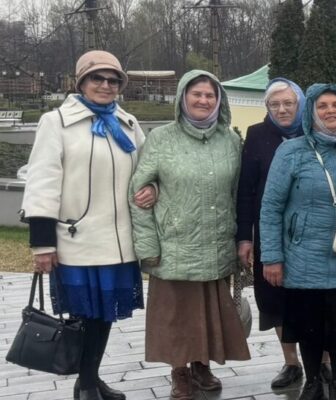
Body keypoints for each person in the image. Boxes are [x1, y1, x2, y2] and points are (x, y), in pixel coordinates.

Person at [22, 50, 147, 400]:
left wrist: (150, 188)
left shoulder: (129, 124)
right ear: (81, 82)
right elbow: (42, 182)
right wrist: (42, 243)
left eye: (113, 80)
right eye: (98, 78)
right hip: (75, 240)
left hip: (119, 241)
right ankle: (87, 384)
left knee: (103, 316)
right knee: (83, 316)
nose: (106, 85)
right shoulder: (56, 122)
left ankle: (89, 379)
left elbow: (145, 171)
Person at [129, 70, 249, 400]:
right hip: (174, 245)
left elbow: (240, 193)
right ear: (183, 97)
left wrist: (242, 239)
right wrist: (148, 244)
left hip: (215, 243)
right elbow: (137, 193)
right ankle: (179, 371)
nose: (203, 100)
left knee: (208, 313)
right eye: (196, 94)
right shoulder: (161, 139)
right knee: (175, 315)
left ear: (218, 101)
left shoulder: (230, 140)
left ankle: (202, 365)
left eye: (210, 95)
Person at [258, 83, 336, 400]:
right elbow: (270, 207)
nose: (331, 111)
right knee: (309, 324)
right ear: (310, 111)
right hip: (303, 253)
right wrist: (272, 256)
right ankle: (311, 380)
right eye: (322, 106)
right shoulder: (292, 151)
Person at [235, 77, 330, 390]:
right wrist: (245, 238)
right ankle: (291, 362)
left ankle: (325, 361)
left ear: (300, 103)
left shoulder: (315, 133)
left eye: (288, 103)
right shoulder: (257, 135)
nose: (282, 109)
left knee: (316, 297)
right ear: (267, 107)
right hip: (270, 229)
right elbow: (246, 191)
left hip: (312, 230)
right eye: (275, 104)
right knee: (274, 297)